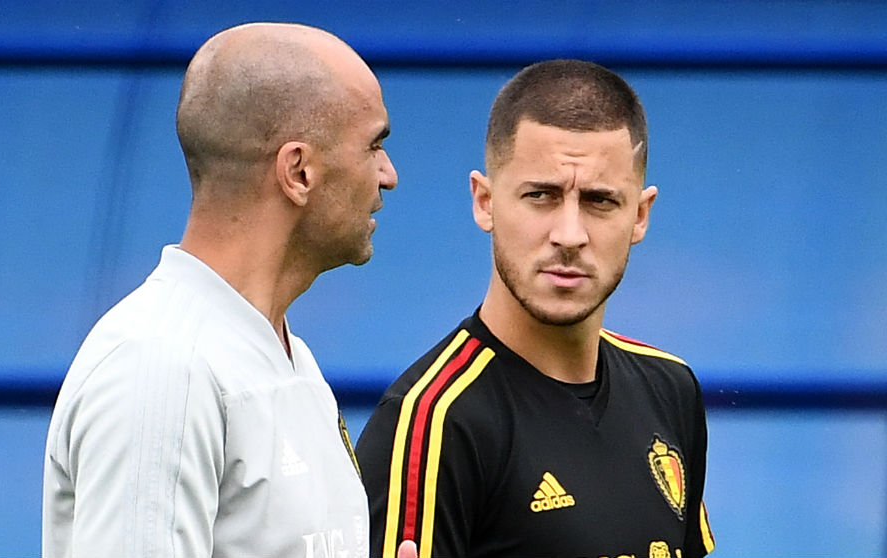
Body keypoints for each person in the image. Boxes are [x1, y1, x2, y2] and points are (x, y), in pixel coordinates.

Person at [42, 22, 401, 558]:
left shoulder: (284, 354)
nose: (388, 175)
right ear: (298, 172)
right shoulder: (162, 369)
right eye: (374, 145)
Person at [355, 59, 716, 558]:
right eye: (541, 195)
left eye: (599, 201)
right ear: (484, 202)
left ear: (640, 215)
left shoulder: (671, 388)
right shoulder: (433, 421)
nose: (569, 235)